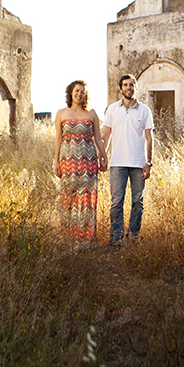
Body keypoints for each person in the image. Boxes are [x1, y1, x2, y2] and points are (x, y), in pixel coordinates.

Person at [100, 74, 154, 245]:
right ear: (120, 88)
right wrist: (103, 156)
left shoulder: (145, 110)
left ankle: (133, 237)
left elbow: (149, 138)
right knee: (116, 202)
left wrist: (149, 163)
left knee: (138, 202)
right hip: (117, 164)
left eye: (131, 85)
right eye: (125, 85)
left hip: (138, 164)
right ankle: (116, 238)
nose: (128, 88)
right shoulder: (112, 109)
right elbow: (106, 135)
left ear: (136, 88)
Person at [53, 79, 106, 241]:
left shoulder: (92, 114)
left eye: (83, 91)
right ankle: (68, 238)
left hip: (88, 163)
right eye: (77, 90)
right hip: (67, 162)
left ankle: (86, 238)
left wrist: (103, 156)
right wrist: (56, 161)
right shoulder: (61, 113)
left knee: (87, 198)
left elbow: (97, 137)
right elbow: (58, 139)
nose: (79, 94)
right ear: (71, 92)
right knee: (68, 197)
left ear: (86, 95)